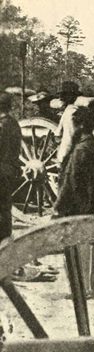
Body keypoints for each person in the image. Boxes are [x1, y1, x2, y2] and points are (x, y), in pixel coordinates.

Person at [53, 107, 94, 216]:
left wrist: (58, 205)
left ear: (81, 126)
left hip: (80, 209)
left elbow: (71, 181)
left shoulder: (80, 150)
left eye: (74, 125)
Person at [0, 92, 22, 241]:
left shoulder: (2, 125)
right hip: (10, 169)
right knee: (5, 207)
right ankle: (6, 240)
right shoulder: (14, 123)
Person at [55, 81, 80, 165]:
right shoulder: (78, 110)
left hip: (67, 154)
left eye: (63, 96)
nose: (61, 98)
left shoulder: (68, 112)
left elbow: (60, 134)